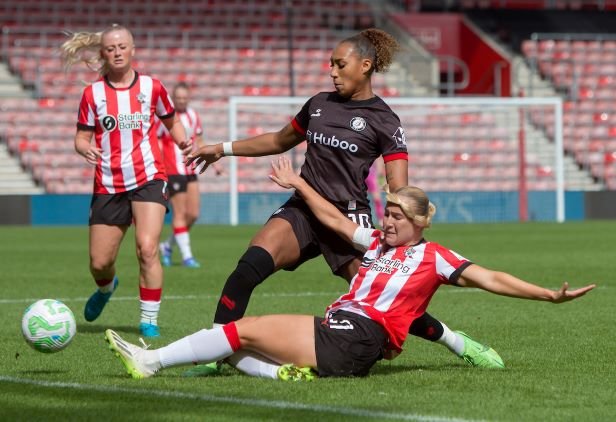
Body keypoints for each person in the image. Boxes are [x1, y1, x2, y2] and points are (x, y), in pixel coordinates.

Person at [104, 156, 595, 380]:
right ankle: (283, 378)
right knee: (237, 348)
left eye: (399, 216)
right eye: (387, 212)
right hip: (345, 332)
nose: (388, 221)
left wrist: (548, 295)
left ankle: (150, 362)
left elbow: (491, 279)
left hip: (358, 339)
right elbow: (333, 217)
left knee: (239, 330)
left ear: (421, 222)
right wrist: (299, 181)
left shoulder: (435, 257)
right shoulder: (377, 245)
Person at [184, 28, 496, 375]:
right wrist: (221, 148)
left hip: (349, 221)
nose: (332, 71)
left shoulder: (385, 121)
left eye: (339, 64)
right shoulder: (318, 104)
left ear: (365, 66)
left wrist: (397, 222)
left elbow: (398, 182)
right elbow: (278, 140)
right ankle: (211, 355)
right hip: (302, 210)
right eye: (330, 64)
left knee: (383, 297)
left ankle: (457, 342)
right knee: (245, 272)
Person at [61, 24, 191, 338]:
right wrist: (84, 148)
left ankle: (149, 321)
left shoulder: (153, 87)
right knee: (100, 262)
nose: (117, 52)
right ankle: (106, 288)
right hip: (107, 184)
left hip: (148, 178)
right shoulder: (92, 94)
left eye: (122, 46)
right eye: (111, 48)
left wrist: (185, 143)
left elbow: (172, 122)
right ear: (103, 54)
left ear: (132, 50)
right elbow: (81, 137)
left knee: (147, 249)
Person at [157, 82, 223, 269]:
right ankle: (187, 256)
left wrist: (214, 164)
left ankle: (167, 246)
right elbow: (157, 139)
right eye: (178, 98)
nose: (181, 101)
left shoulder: (193, 115)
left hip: (190, 168)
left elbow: (199, 140)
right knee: (180, 213)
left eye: (184, 98)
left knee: (193, 214)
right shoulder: (166, 117)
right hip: (172, 168)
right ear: (173, 98)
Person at [366, 158, 385, 223]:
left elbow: (379, 162)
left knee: (377, 200)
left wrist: (379, 178)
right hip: (368, 173)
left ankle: (381, 220)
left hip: (371, 174)